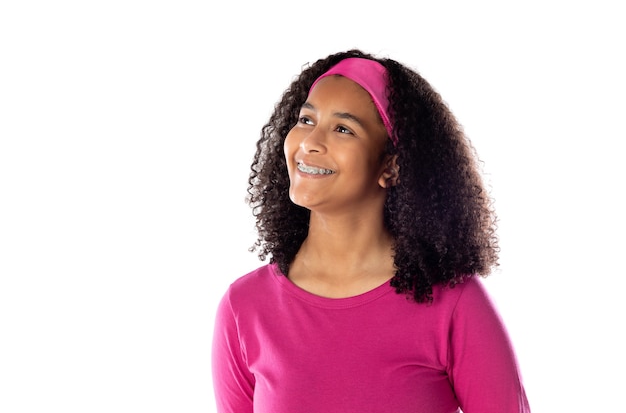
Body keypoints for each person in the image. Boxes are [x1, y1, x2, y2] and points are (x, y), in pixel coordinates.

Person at [211, 49, 531, 413]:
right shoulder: (245, 306)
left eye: (343, 128)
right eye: (305, 120)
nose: (309, 142)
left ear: (391, 168)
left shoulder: (453, 303)